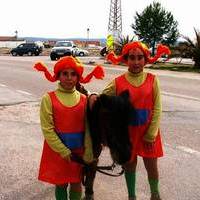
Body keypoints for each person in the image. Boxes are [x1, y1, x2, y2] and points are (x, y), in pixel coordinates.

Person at [90, 41, 170, 200]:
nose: (136, 62)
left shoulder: (153, 79)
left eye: (140, 57)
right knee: (130, 166)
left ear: (145, 59)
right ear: (126, 59)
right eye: (131, 58)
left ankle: (155, 194)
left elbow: (158, 108)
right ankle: (131, 196)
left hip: (149, 132)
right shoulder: (118, 81)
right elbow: (103, 97)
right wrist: (93, 96)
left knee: (152, 167)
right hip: (127, 134)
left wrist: (151, 133)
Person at [34, 56, 104, 200]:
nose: (69, 78)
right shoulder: (49, 98)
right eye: (65, 74)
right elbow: (48, 130)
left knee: (76, 182)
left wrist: (89, 151)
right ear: (58, 75)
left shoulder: (84, 99)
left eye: (73, 74)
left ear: (78, 77)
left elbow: (89, 129)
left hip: (78, 152)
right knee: (61, 184)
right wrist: (64, 151)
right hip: (58, 152)